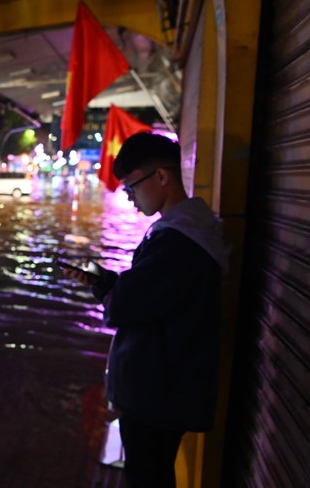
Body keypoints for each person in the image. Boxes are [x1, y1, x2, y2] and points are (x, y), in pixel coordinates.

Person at [63, 132, 229, 487]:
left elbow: (128, 305)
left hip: (158, 395)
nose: (131, 198)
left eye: (132, 187)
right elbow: (147, 292)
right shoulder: (189, 230)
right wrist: (100, 278)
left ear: (162, 177)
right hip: (165, 387)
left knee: (148, 478)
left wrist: (105, 286)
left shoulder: (179, 240)